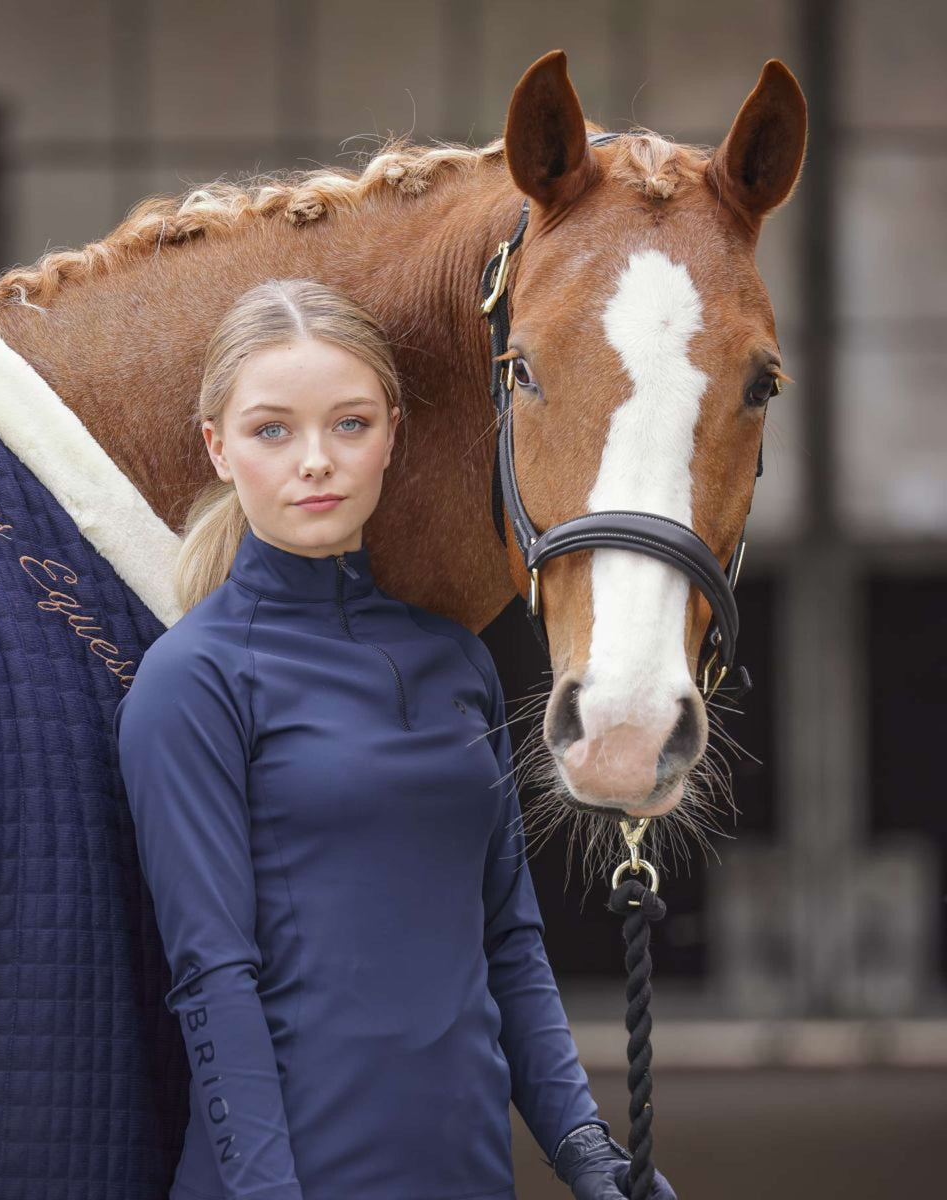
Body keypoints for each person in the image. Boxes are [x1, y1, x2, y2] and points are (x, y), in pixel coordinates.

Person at [114, 278, 675, 1200]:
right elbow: (212, 978)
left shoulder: (458, 665)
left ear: (392, 434)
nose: (316, 462)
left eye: (348, 424)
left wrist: (583, 1149)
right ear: (217, 447)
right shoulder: (193, 682)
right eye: (271, 430)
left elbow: (509, 941)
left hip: (464, 1170)